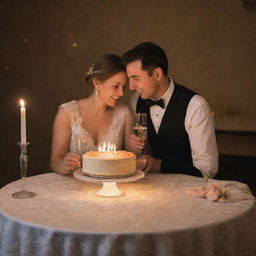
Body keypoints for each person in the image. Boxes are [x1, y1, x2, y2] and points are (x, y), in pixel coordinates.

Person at [122, 42, 218, 178]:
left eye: (135, 78)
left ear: (157, 74)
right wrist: (137, 147)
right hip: (148, 188)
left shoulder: (196, 105)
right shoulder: (135, 101)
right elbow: (139, 154)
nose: (131, 86)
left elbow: (207, 168)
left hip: (188, 190)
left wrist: (159, 165)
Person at [50, 54, 135, 175]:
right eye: (116, 86)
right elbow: (55, 161)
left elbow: (133, 158)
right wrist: (64, 165)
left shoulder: (124, 113)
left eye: (124, 87)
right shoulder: (67, 113)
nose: (121, 93)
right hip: (76, 188)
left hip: (112, 187)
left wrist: (140, 146)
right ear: (97, 83)